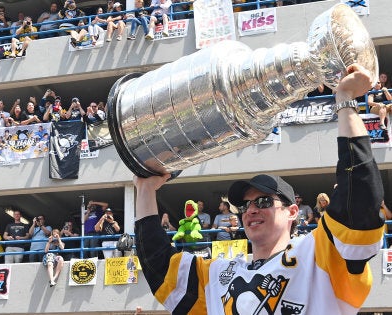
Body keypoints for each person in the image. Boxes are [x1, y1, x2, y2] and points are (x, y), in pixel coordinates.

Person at [133, 63, 383, 314]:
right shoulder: (220, 274)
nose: (250, 210)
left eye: (263, 202)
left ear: (293, 211)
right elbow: (160, 267)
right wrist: (145, 189)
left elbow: (359, 193)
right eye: (244, 205)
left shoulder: (318, 255)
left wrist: (345, 99)